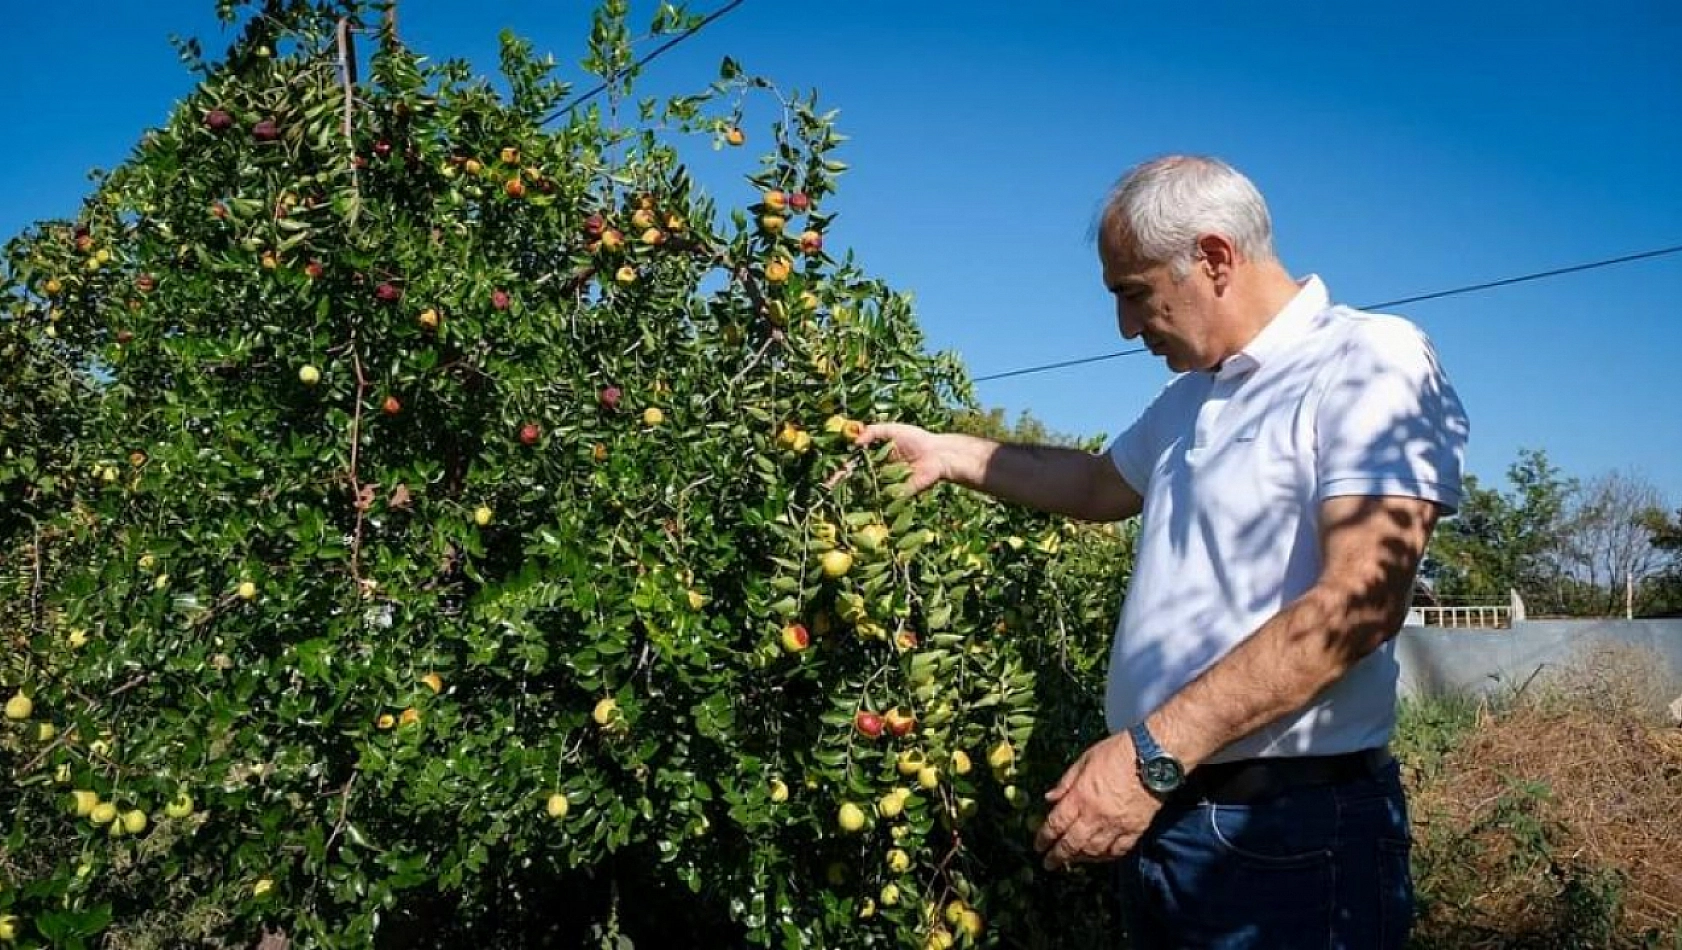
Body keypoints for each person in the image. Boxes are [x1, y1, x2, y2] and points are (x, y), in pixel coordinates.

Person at [857, 154, 1469, 948]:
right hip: (1172, 819)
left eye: (1133, 293)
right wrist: (948, 452)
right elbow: (1093, 486)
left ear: (1214, 258)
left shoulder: (1368, 361)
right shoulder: (1194, 396)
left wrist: (1151, 755)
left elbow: (1360, 602)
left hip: (1287, 835)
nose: (1124, 327)